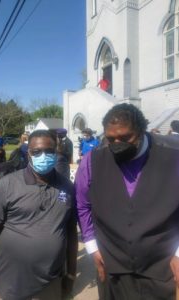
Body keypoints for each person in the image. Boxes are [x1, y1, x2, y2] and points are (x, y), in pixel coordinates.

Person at [75, 103, 179, 300]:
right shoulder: (92, 161)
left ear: (141, 131)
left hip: (163, 267)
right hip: (112, 266)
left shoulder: (173, 156)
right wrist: (92, 247)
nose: (117, 143)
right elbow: (83, 205)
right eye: (110, 138)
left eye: (125, 138)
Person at [0, 130, 78, 300]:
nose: (43, 155)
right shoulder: (7, 185)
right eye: (37, 152)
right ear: (28, 154)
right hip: (11, 286)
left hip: (50, 285)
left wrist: (71, 275)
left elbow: (71, 232)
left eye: (49, 151)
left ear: (56, 152)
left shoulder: (67, 187)